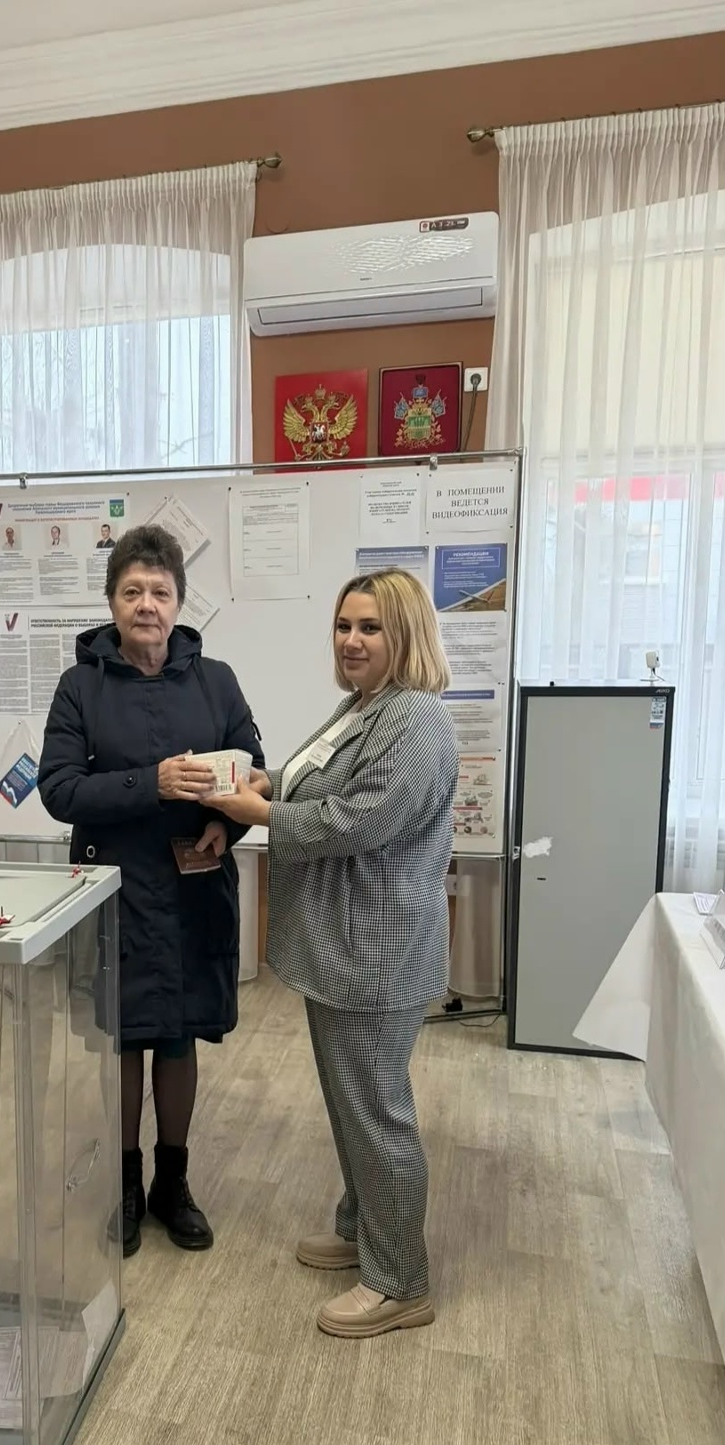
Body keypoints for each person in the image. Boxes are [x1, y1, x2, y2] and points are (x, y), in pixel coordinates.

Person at [201, 567, 457, 1336]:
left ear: (405, 634)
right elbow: (319, 780)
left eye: (370, 627)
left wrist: (260, 813)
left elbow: (358, 819)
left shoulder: (416, 717)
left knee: (376, 1115)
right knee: (353, 1106)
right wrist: (266, 781)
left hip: (375, 952)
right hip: (342, 946)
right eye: (344, 625)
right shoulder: (365, 706)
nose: (351, 640)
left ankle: (400, 1282)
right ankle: (362, 1231)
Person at [39, 524, 264, 1256]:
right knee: (124, 1039)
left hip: (194, 888)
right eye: (132, 591)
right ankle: (126, 1185)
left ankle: (174, 1183)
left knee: (176, 1035)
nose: (146, 605)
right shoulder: (80, 686)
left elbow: (255, 771)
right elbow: (59, 790)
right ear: (111, 602)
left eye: (160, 592)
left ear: (178, 602)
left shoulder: (217, 680)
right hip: (113, 891)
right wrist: (153, 782)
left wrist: (226, 826)